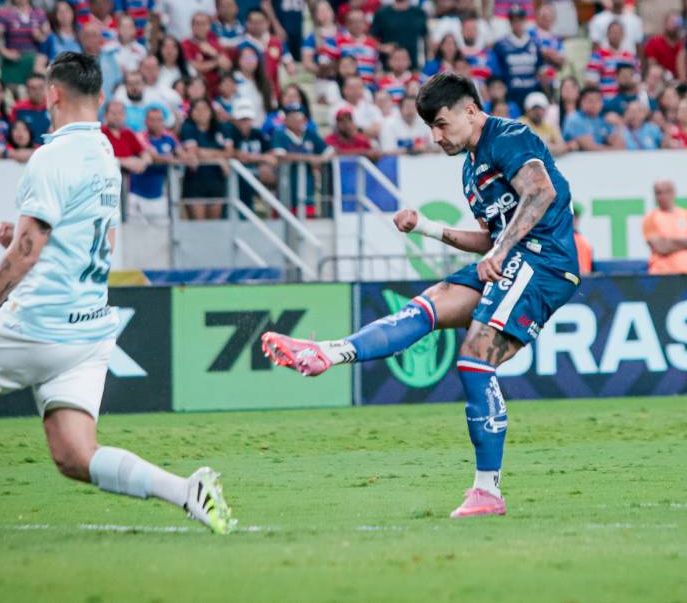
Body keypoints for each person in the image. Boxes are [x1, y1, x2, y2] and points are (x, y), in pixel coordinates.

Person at [0, 51, 232, 534]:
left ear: (52, 94)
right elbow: (89, 234)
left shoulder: (52, 156)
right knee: (76, 455)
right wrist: (21, 235)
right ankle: (185, 491)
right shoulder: (104, 153)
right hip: (89, 330)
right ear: (100, 96)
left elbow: (26, 253)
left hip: (39, 322)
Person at [261, 72, 581, 519]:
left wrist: (501, 251)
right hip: (512, 259)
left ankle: (487, 491)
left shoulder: (509, 137)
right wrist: (427, 228)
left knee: (475, 358)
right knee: (427, 305)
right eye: (430, 127)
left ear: (471, 110)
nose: (435, 137)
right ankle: (328, 353)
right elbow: (490, 238)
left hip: (544, 262)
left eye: (441, 124)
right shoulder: (471, 170)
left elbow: (541, 192)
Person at [179, 97, 233, 220]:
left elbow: (229, 153)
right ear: (191, 113)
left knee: (214, 225)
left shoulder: (220, 128)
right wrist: (218, 159)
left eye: (204, 109)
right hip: (195, 181)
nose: (201, 112)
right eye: (197, 109)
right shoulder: (188, 128)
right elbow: (194, 152)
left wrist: (206, 153)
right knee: (198, 225)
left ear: (211, 111)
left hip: (217, 181)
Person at [642, 180, 687, 275]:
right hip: (661, 275)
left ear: (674, 193)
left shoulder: (686, 215)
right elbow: (661, 248)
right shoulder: (650, 218)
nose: (663, 196)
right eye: (659, 193)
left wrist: (669, 241)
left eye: (667, 192)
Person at [562, 86, 623, 151]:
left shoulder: (603, 120)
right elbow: (590, 147)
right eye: (590, 101)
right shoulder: (574, 119)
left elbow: (620, 144)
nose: (594, 104)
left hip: (601, 156)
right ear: (581, 102)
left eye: (598, 100)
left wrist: (619, 124)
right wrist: (614, 150)